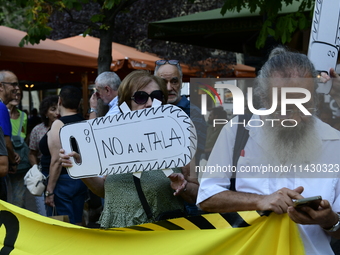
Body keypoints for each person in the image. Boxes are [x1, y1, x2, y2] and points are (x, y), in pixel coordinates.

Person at [197, 46, 340, 254]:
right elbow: (207, 198)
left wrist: (330, 221)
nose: (294, 117)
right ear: (264, 100)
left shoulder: (334, 142)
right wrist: (259, 200)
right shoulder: (238, 130)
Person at [60, 70, 198, 228]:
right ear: (126, 103)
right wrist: (80, 167)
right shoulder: (113, 140)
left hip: (160, 237)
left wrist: (183, 187)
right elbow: (104, 190)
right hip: (118, 237)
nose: (150, 103)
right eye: (141, 97)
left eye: (157, 96)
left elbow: (197, 195)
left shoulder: (181, 138)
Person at [154, 60, 205, 215]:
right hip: (157, 197)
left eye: (174, 81)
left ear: (181, 82)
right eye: (163, 82)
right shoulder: (150, 110)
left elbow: (194, 153)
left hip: (186, 196)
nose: (169, 87)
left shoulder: (193, 112)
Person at [40, 86, 87, 224]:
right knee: (76, 222)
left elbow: (56, 160)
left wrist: (49, 191)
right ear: (78, 103)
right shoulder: (83, 121)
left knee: (62, 225)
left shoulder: (58, 124)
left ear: (60, 100)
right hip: (81, 179)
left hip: (62, 181)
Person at [29, 95, 58, 216]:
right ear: (45, 112)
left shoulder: (66, 127)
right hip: (43, 175)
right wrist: (37, 170)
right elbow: (32, 153)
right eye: (52, 109)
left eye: (58, 108)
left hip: (61, 173)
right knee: (45, 212)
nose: (57, 113)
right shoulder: (38, 130)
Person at [6, 88, 31, 207]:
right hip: (4, 160)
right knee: (4, 196)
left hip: (20, 162)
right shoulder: (1, 113)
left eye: (19, 95)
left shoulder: (23, 116)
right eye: (13, 93)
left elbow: (24, 136)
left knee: (19, 198)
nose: (16, 97)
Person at [0, 70, 20, 201]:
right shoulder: (1, 107)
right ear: (1, 86)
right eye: (13, 84)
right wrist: (13, 161)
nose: (17, 88)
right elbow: (6, 142)